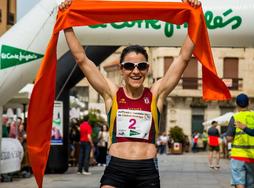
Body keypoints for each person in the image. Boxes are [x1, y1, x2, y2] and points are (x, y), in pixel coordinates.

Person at [60, 0, 201, 186]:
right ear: (121, 69)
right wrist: (66, 19)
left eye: (141, 66)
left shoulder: (156, 93)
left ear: (147, 69)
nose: (136, 71)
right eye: (129, 66)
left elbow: (184, 57)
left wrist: (196, 15)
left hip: (147, 170)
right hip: (116, 168)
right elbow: (81, 58)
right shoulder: (112, 93)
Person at [226, 93, 254, 188]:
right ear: (249, 103)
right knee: (250, 184)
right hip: (253, 156)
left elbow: (229, 138)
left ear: (236, 104)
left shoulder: (235, 117)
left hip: (238, 155)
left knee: (239, 182)